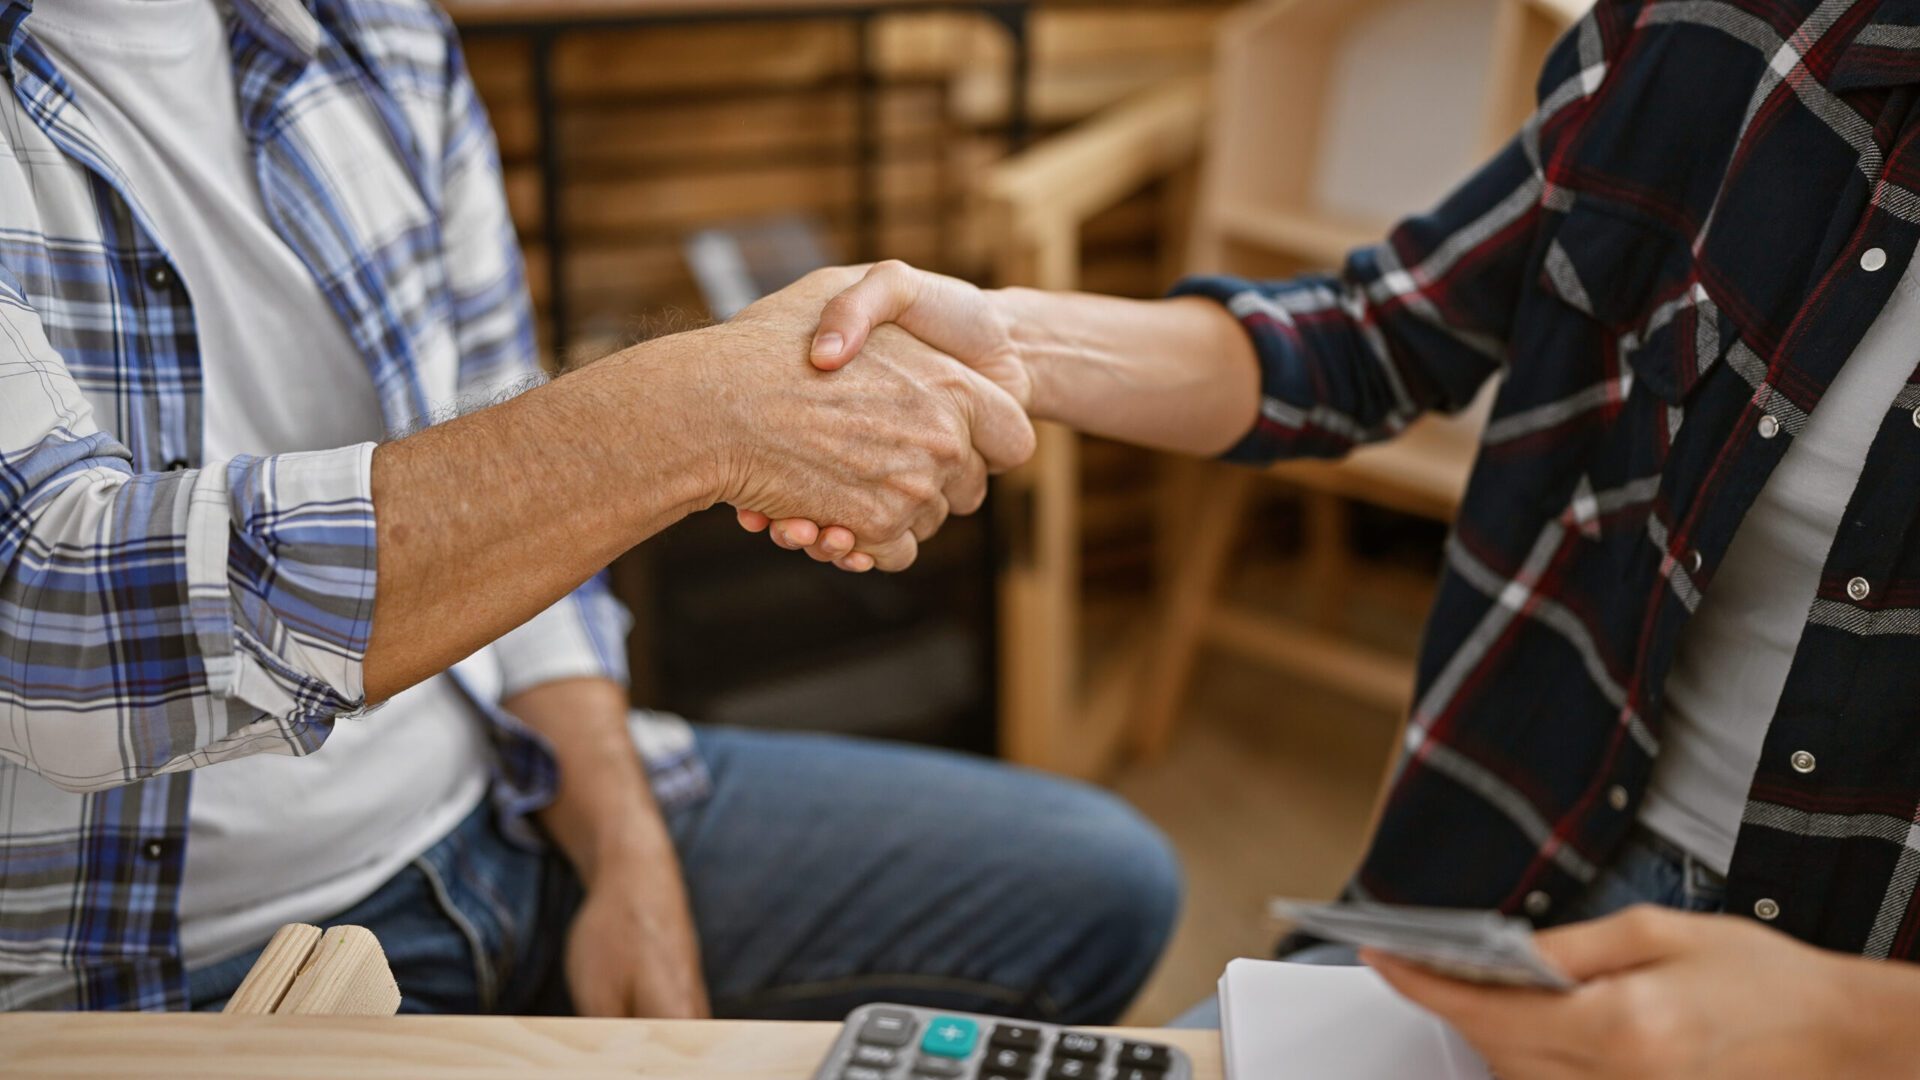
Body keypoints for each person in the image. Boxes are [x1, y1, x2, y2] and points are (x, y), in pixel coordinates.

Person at [739, 0, 1920, 1071]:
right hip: (1513, 893)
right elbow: (1382, 328)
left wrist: (1853, 1028)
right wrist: (1002, 340)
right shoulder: (1724, 31)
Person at [0, 0, 1181, 1016]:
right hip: (170, 965)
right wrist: (689, 412)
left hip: (498, 806)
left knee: (1101, 885)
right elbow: (56, 621)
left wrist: (626, 853)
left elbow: (517, 522)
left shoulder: (382, 33)